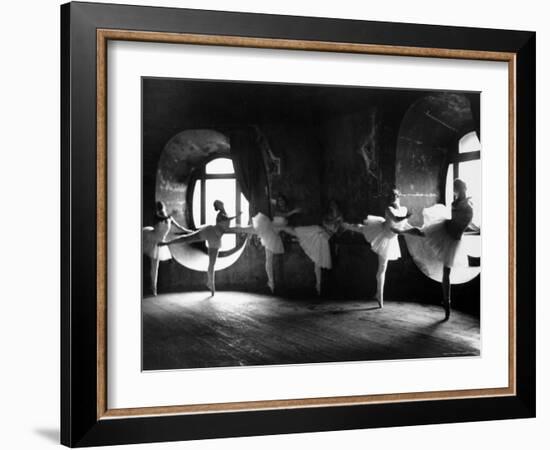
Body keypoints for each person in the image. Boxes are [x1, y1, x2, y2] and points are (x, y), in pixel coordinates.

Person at [344, 189, 422, 308]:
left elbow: (404, 225)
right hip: (382, 234)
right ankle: (345, 225)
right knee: (361, 228)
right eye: (391, 196)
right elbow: (396, 219)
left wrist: (416, 230)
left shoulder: (404, 209)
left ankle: (378, 294)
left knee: (382, 268)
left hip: (391, 239)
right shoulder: (389, 209)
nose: (393, 197)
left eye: (395, 195)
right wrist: (407, 218)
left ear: (399, 196)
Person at [420, 179, 478, 320]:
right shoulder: (455, 203)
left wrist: (478, 228)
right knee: (423, 232)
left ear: (464, 187)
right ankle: (447, 303)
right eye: (456, 189)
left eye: (458, 188)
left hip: (454, 239)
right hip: (445, 231)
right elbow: (458, 218)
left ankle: (447, 303)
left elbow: (470, 223)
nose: (457, 191)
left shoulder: (469, 206)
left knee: (447, 272)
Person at [160, 200, 242, 296]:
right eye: (219, 204)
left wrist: (237, 219)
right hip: (210, 232)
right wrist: (237, 216)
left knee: (212, 264)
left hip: (215, 239)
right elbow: (226, 219)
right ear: (219, 206)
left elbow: (226, 225)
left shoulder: (224, 213)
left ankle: (210, 284)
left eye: (220, 203)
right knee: (187, 238)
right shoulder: (221, 214)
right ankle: (167, 243)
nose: (221, 204)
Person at [283, 200, 344, 295]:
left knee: (320, 262)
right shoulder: (328, 216)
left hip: (326, 238)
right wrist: (330, 225)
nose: (332, 207)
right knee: (309, 233)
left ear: (337, 207)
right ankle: (318, 286)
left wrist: (332, 226)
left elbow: (335, 230)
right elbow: (325, 224)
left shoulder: (339, 218)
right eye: (331, 205)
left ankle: (321, 286)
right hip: (320, 235)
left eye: (334, 205)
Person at [250, 194, 301, 292]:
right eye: (279, 201)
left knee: (270, 259)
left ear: (285, 201)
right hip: (270, 230)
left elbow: (286, 219)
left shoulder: (286, 210)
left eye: (282, 200)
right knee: (268, 260)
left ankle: (271, 283)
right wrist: (294, 211)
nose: (281, 202)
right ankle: (271, 283)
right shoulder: (278, 211)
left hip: (276, 233)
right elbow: (284, 215)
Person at [142, 201, 192, 296]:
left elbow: (179, 227)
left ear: (164, 207)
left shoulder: (169, 218)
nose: (160, 210)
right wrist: (170, 214)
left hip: (161, 242)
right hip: (151, 239)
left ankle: (153, 287)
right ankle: (153, 288)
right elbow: (161, 218)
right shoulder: (157, 217)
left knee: (155, 267)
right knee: (154, 267)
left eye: (161, 208)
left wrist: (188, 231)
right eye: (158, 208)